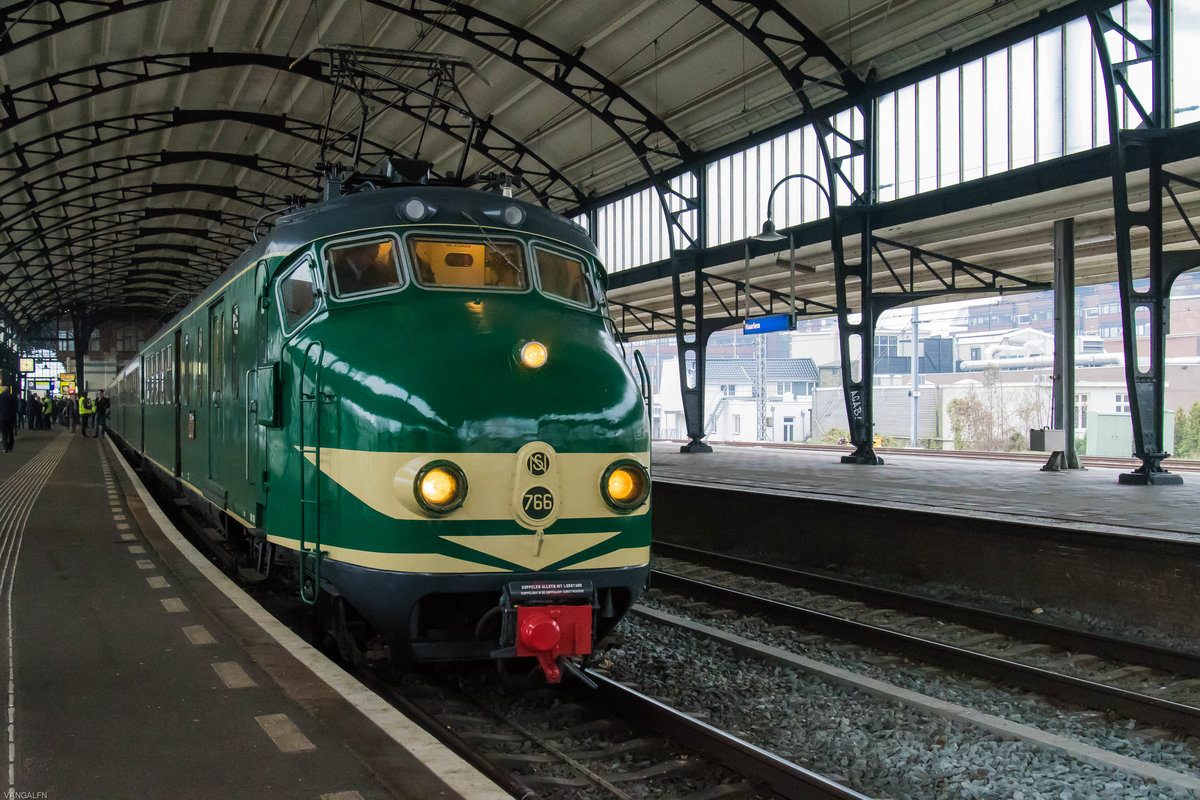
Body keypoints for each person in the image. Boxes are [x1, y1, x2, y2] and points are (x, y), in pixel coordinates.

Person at [0, 386, 16, 453]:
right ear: (8, 390)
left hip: (2, 417)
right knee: (10, 432)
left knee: (4, 433)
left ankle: (5, 447)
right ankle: (10, 446)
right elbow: (15, 408)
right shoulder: (12, 397)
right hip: (10, 417)